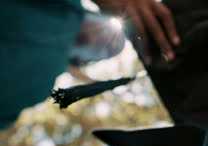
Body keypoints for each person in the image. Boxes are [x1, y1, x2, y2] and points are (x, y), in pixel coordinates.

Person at [0, 0, 179, 129]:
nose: (110, 41)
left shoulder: (38, 90)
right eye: (113, 32)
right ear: (96, 14)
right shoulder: (65, 6)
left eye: (109, 52)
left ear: (85, 61)